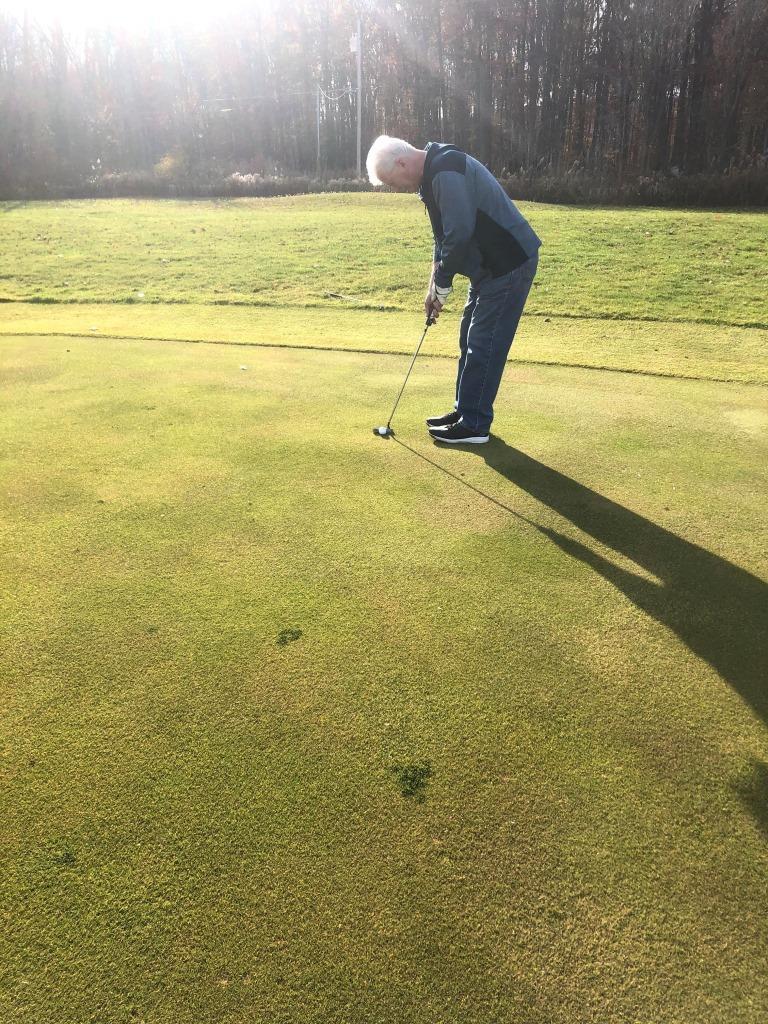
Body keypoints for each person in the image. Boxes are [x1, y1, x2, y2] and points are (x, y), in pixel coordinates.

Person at [366, 135, 542, 444]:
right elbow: (443, 237)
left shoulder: (446, 170)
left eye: (392, 182)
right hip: (489, 269)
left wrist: (444, 283)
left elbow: (459, 234)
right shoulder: (432, 174)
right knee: (468, 337)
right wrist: (433, 287)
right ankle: (465, 411)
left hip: (508, 263)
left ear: (402, 163)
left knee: (484, 342)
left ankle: (474, 425)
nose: (397, 189)